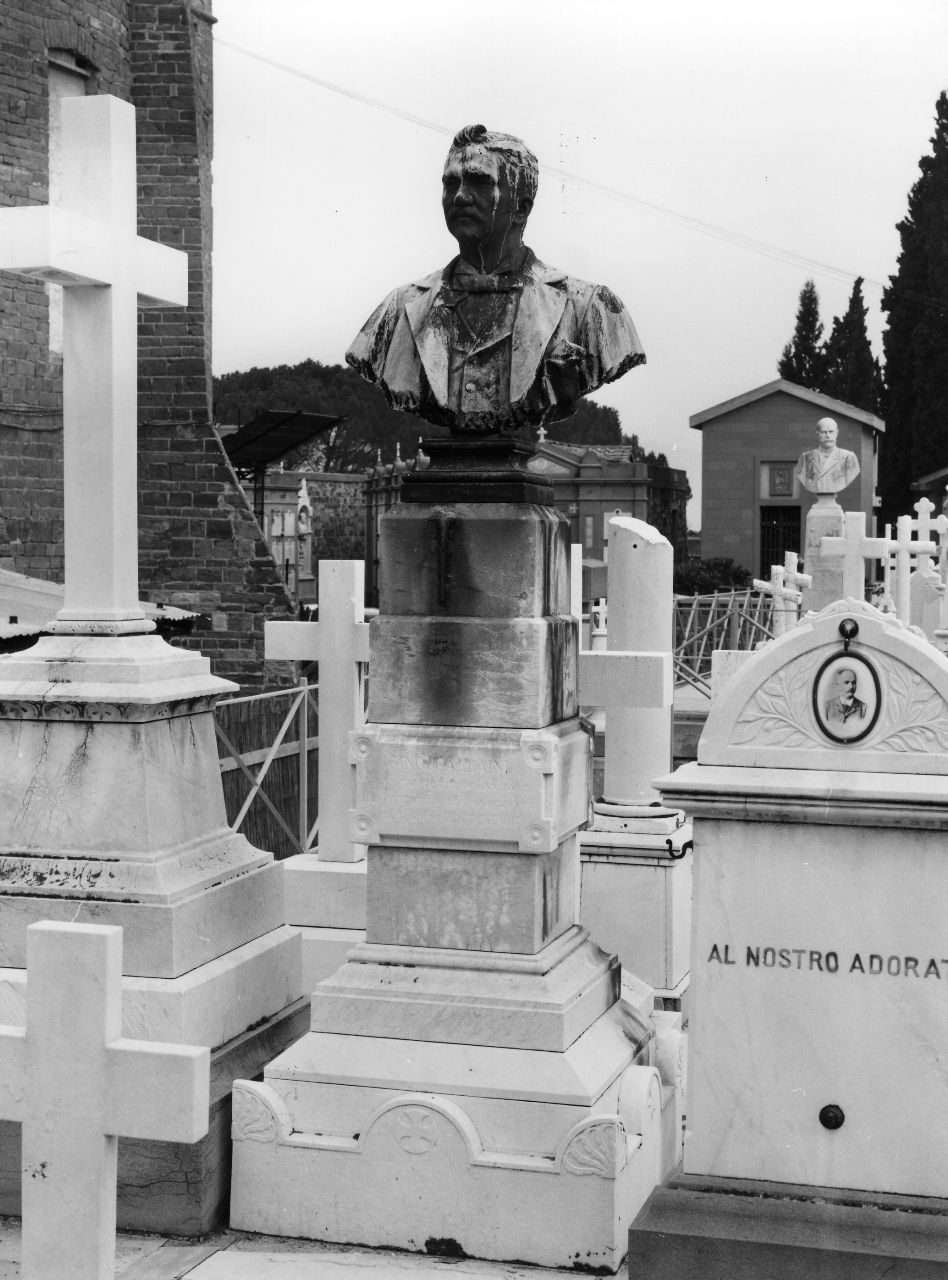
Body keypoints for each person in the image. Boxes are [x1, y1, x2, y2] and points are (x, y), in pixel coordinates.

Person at [345, 124, 645, 435]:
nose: (460, 196)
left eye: (480, 183)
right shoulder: (398, 309)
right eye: (451, 183)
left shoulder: (591, 309)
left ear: (521, 207)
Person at [796, 418, 860, 495]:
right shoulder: (805, 457)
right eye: (823, 432)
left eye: (831, 432)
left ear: (837, 433)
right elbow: (802, 477)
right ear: (817, 434)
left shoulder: (848, 457)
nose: (828, 435)